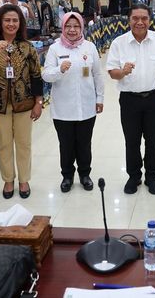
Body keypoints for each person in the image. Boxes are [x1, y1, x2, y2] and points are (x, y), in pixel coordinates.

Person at [0, 4, 44, 199]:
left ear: (20, 23)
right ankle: (8, 180)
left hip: (24, 103)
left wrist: (38, 102)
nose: (11, 24)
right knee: (3, 144)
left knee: (24, 143)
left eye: (15, 20)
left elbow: (37, 76)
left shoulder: (27, 46)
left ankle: (24, 180)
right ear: (0, 23)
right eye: (7, 20)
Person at [106, 4, 155, 195]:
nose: (140, 22)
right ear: (129, 20)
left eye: (144, 18)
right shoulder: (119, 43)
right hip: (129, 99)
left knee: (153, 140)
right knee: (132, 140)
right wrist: (123, 71)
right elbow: (112, 73)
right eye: (135, 18)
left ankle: (152, 176)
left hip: (154, 98)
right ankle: (134, 176)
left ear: (150, 20)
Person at [42, 12, 103, 193]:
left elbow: (97, 75)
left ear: (82, 28)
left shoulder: (90, 47)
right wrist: (59, 70)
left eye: (76, 26)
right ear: (63, 28)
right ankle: (67, 176)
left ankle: (85, 174)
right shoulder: (55, 49)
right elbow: (46, 75)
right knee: (66, 145)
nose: (72, 30)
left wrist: (100, 98)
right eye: (68, 26)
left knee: (84, 144)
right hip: (63, 109)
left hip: (86, 106)